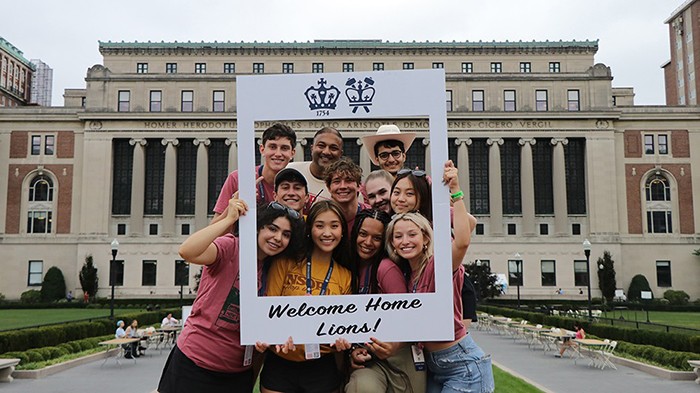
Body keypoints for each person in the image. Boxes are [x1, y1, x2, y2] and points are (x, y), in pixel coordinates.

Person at [157, 199, 305, 393]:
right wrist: (228, 219)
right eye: (272, 229)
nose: (278, 238)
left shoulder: (277, 270)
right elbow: (187, 251)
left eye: (286, 235)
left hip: (237, 372)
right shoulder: (232, 247)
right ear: (258, 227)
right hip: (195, 362)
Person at [385, 161, 494, 393]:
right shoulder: (409, 271)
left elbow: (463, 239)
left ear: (426, 237)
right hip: (434, 367)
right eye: (399, 237)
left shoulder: (438, 262)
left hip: (462, 365)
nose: (405, 241)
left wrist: (454, 191)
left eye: (412, 235)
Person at [257, 200, 354, 393]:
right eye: (320, 226)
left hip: (321, 366)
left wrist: (342, 341)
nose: (327, 233)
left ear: (342, 231)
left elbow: (343, 324)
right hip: (281, 361)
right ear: (309, 230)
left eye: (334, 226)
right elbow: (269, 309)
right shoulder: (285, 262)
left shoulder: (345, 275)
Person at [345, 209, 425, 393]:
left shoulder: (386, 268)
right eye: (363, 234)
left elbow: (408, 317)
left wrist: (394, 345)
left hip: (399, 356)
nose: (368, 243)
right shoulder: (349, 269)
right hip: (369, 360)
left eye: (376, 238)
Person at [212, 123, 297, 220]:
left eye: (284, 148)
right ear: (262, 149)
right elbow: (213, 229)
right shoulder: (238, 179)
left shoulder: (296, 186)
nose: (278, 154)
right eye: (272, 147)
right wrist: (232, 208)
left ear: (292, 153)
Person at [287, 127, 344, 208]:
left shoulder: (345, 188)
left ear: (340, 154)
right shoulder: (290, 170)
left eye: (333, 148)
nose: (326, 152)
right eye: (321, 146)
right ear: (312, 149)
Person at [325, 157, 370, 233]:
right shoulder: (321, 216)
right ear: (329, 187)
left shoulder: (370, 216)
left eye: (349, 180)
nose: (343, 186)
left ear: (359, 186)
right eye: (337, 181)